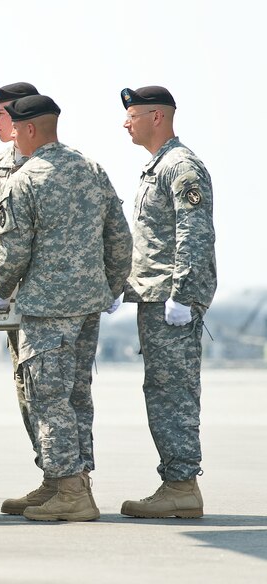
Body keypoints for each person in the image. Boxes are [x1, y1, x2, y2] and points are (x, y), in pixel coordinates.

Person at [0, 94, 132, 522]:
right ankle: (64, 481)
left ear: (28, 130)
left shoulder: (25, 179)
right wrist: (114, 284)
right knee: (77, 396)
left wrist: (0, 289)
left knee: (48, 399)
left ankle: (71, 491)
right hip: (88, 304)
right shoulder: (91, 169)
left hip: (47, 309)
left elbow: (14, 250)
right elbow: (119, 236)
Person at [117, 86, 216, 519]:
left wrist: (184, 294)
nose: (126, 122)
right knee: (161, 389)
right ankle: (177, 482)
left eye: (133, 114)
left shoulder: (180, 167)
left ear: (157, 117)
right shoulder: (157, 167)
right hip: (153, 295)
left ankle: (180, 485)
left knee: (173, 391)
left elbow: (193, 234)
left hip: (169, 300)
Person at [0, 82, 65, 516]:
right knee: (28, 389)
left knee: (57, 393)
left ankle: (68, 483)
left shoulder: (60, 167)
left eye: (1, 114)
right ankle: (51, 477)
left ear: (23, 119)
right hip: (10, 297)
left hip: (47, 297)